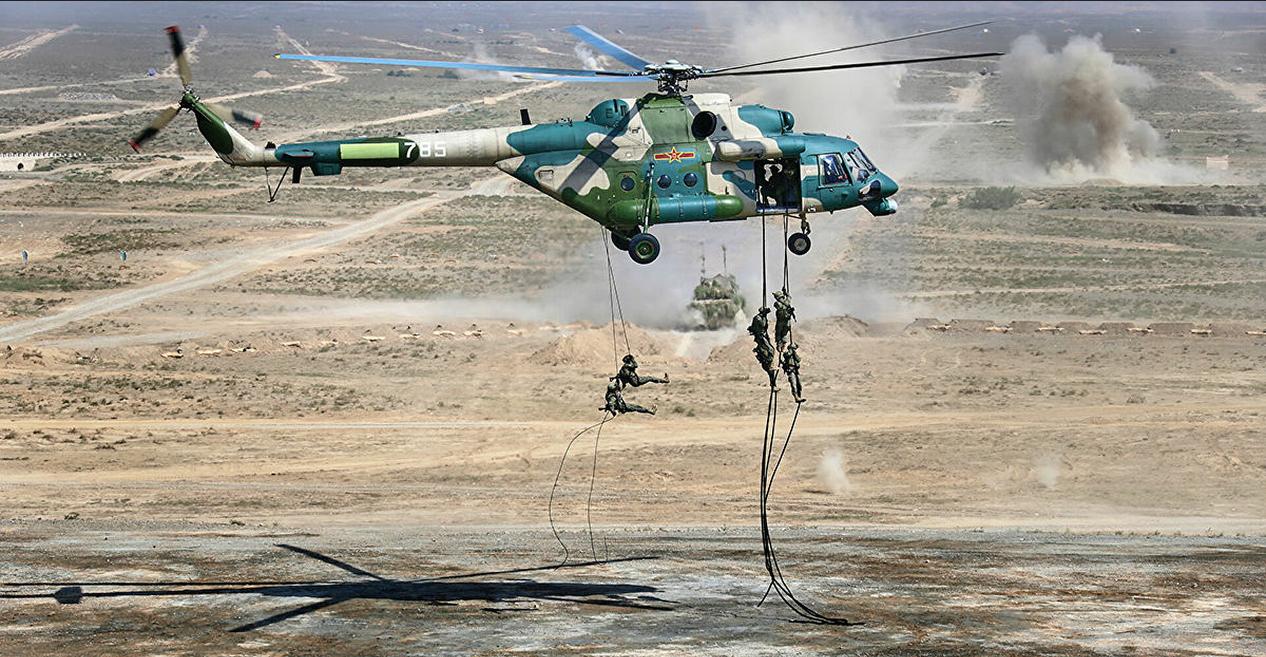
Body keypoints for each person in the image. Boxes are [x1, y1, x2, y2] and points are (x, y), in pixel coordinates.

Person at [748, 307, 778, 389]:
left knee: (770, 351)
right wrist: (764, 317)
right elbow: (762, 325)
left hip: (763, 336)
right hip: (760, 336)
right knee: (771, 350)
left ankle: (773, 383)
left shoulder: (762, 317)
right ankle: (771, 367)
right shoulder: (758, 318)